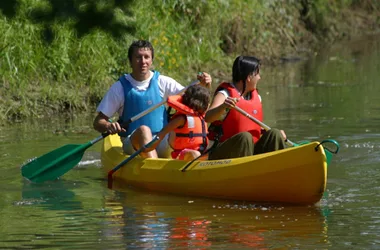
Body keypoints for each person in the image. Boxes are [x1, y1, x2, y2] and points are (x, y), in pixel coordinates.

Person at [93, 40, 212, 159]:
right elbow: (98, 122)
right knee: (144, 131)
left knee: (182, 125)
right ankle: (154, 166)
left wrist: (204, 85)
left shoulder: (163, 82)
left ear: (151, 60)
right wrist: (108, 126)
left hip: (162, 141)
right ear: (130, 61)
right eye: (138, 57)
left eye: (146, 57)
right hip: (133, 143)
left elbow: (195, 102)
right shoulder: (119, 88)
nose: (143, 62)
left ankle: (192, 158)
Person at [204, 55, 286, 160]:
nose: (259, 78)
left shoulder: (257, 97)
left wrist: (273, 134)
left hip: (249, 151)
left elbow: (252, 126)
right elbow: (208, 117)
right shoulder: (225, 94)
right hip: (222, 152)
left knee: (275, 133)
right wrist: (223, 107)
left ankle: (280, 167)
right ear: (249, 77)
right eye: (257, 74)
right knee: (245, 137)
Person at [144, 84, 210, 161]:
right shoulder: (181, 119)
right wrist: (149, 148)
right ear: (200, 103)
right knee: (195, 154)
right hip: (181, 154)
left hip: (198, 154)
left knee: (209, 154)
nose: (209, 105)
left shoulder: (202, 117)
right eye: (207, 102)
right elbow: (162, 132)